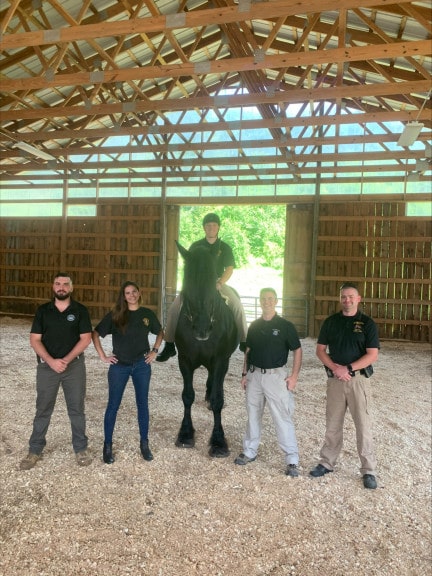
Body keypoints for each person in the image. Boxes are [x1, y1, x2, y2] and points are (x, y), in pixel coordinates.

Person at [310, 282, 380, 489]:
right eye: (343, 297)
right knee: (332, 424)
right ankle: (326, 463)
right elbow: (320, 350)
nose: (347, 300)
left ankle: (368, 470)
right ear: (340, 299)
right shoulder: (331, 322)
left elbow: (372, 355)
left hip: (358, 380)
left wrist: (348, 368)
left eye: (351, 297)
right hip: (335, 381)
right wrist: (335, 368)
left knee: (363, 426)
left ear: (358, 299)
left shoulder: (367, 323)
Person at [20, 273, 93, 470]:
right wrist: (52, 361)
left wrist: (66, 360)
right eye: (58, 283)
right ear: (53, 287)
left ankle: (81, 448)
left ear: (71, 287)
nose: (61, 287)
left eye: (65, 284)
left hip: (74, 367)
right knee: (43, 408)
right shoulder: (43, 311)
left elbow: (85, 338)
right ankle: (35, 449)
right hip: (47, 368)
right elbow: (35, 339)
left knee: (76, 409)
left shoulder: (80, 310)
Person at [156, 212, 247, 361]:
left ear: (218, 227)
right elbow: (189, 267)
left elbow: (229, 269)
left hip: (217, 282)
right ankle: (170, 345)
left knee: (237, 306)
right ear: (204, 228)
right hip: (197, 284)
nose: (211, 228)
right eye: (208, 225)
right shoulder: (196, 246)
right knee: (174, 308)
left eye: (214, 225)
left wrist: (219, 283)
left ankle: (244, 341)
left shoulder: (225, 247)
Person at [92, 281, 164, 464]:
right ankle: (107, 446)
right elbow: (96, 333)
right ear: (123, 296)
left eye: (134, 292)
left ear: (139, 293)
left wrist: (154, 351)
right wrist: (103, 356)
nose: (131, 295)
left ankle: (144, 444)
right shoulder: (117, 315)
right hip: (119, 366)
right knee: (113, 406)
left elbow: (160, 332)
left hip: (141, 365)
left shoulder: (147, 314)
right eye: (127, 293)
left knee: (143, 405)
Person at [234, 287, 302, 477]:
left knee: (282, 416)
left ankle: (291, 458)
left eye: (270, 298)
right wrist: (244, 373)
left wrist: (294, 375)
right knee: (253, 413)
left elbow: (297, 349)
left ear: (276, 301)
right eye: (264, 298)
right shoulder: (254, 326)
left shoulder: (285, 326)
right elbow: (248, 351)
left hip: (275, 376)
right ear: (260, 301)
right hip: (254, 375)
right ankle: (249, 451)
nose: (267, 301)